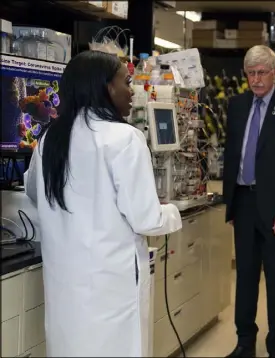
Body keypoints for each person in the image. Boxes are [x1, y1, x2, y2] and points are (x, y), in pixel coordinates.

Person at [23, 50, 183, 356]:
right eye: (126, 81)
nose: (132, 91)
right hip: (112, 287)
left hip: (66, 286)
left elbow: (33, 191)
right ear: (105, 87)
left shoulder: (49, 140)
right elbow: (146, 219)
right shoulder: (124, 138)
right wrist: (172, 212)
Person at [222, 45, 275, 358]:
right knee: (245, 277)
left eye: (262, 72)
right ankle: (245, 342)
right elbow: (233, 154)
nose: (256, 79)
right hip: (244, 203)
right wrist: (230, 202)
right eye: (250, 73)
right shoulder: (237, 105)